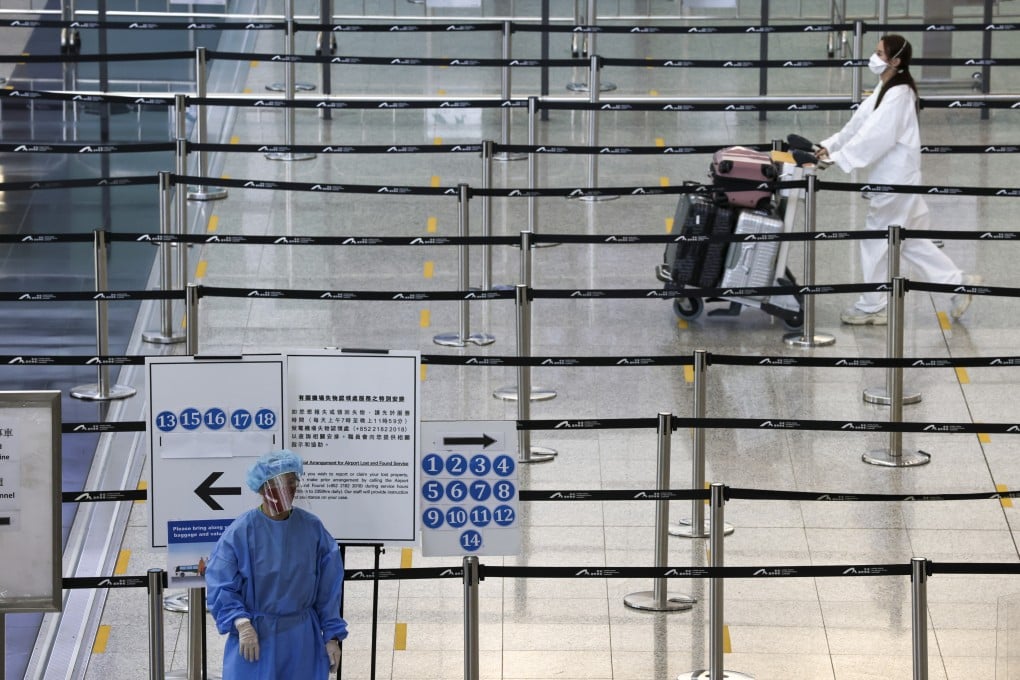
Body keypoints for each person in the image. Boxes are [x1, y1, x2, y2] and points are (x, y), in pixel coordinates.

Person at [815, 34, 981, 325]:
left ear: (896, 61)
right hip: (900, 178)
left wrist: (837, 159)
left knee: (876, 240)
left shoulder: (899, 94)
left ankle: (873, 305)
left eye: (880, 53)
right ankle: (958, 284)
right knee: (913, 241)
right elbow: (859, 124)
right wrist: (829, 146)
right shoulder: (886, 87)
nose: (874, 57)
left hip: (896, 183)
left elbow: (875, 136)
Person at [206, 450, 348, 679]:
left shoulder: (312, 529)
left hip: (301, 638)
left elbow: (329, 588)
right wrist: (241, 623)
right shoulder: (241, 532)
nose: (287, 490)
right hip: (256, 638)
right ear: (262, 489)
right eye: (279, 484)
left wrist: (332, 636)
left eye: (292, 483)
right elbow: (221, 584)